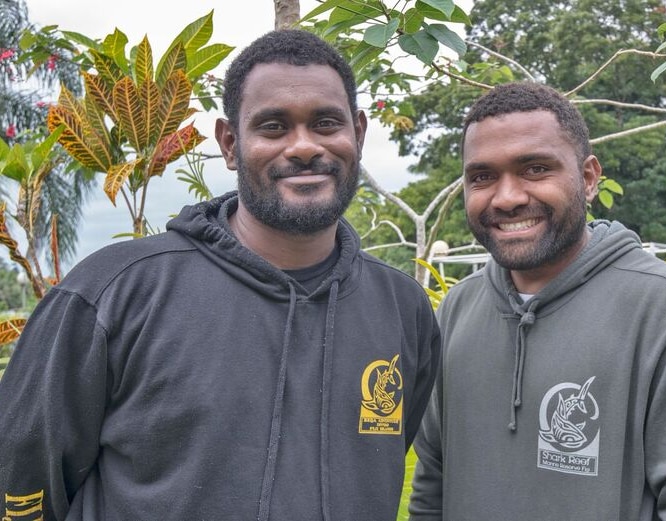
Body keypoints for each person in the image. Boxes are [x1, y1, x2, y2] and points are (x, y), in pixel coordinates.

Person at [0, 29, 440, 521]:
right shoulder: (113, 294)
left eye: (325, 123)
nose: (303, 147)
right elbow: (22, 478)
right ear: (230, 143)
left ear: (358, 133)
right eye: (273, 127)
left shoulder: (402, 307)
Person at [408, 81, 666, 520]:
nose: (506, 197)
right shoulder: (455, 313)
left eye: (535, 169)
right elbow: (433, 483)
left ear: (588, 178)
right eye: (482, 177)